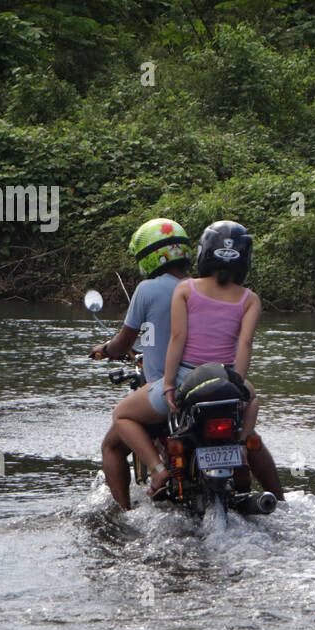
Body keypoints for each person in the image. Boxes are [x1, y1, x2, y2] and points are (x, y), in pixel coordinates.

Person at [112, 220, 284, 500]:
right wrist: (237, 384)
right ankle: (240, 446)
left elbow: (177, 338)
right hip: (226, 380)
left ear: (205, 252)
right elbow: (245, 344)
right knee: (252, 399)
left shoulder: (187, 289)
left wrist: (168, 384)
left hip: (185, 381)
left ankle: (157, 469)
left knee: (120, 414)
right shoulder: (250, 299)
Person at [90, 218, 191, 509]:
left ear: (148, 257)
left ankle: (126, 511)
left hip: (164, 393)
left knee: (112, 444)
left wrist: (106, 349)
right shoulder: (200, 289)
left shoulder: (147, 289)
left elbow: (124, 343)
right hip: (203, 385)